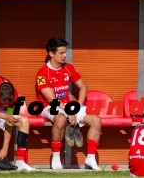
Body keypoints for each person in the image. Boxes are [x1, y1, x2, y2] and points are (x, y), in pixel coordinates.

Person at [36, 37, 102, 170]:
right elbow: (51, 100)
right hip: (48, 106)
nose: (65, 55)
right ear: (51, 54)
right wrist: (69, 112)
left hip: (68, 105)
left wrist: (76, 106)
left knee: (96, 120)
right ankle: (55, 157)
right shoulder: (42, 74)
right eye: (61, 53)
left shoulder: (69, 68)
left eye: (65, 52)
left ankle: (90, 159)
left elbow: (83, 87)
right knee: (60, 119)